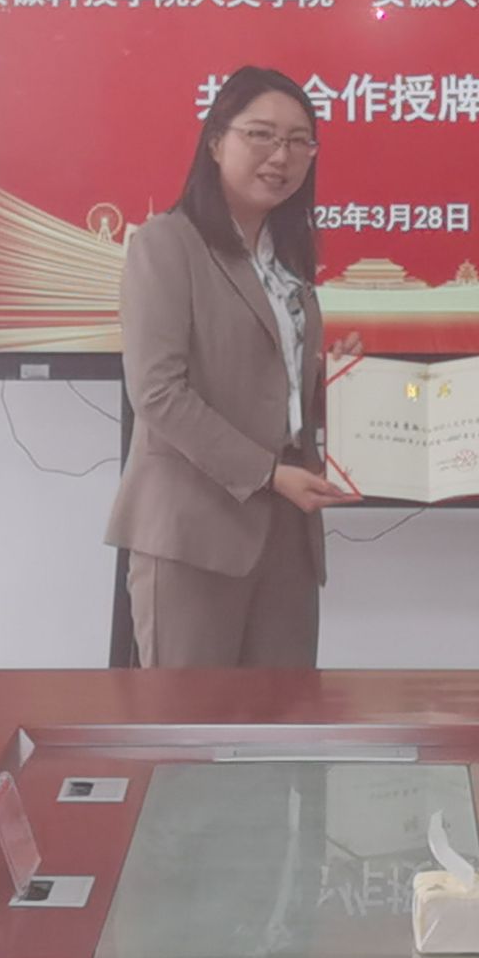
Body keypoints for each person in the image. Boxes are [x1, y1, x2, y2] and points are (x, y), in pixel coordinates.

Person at [105, 66, 359, 667]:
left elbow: (278, 392)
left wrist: (338, 384)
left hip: (288, 534)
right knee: (190, 719)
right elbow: (158, 393)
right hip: (194, 532)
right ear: (217, 142)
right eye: (261, 135)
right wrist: (268, 474)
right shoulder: (166, 244)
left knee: (284, 715)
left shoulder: (287, 259)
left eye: (299, 141)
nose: (281, 156)